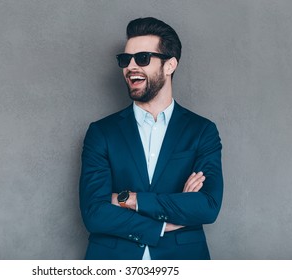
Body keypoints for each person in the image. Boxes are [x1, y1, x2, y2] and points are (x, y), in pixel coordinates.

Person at [79, 17, 223, 260]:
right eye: (125, 60)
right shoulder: (101, 132)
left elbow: (207, 206)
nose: (131, 67)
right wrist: (161, 225)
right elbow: (94, 212)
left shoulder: (202, 130)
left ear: (170, 65)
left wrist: (128, 199)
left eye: (142, 58)